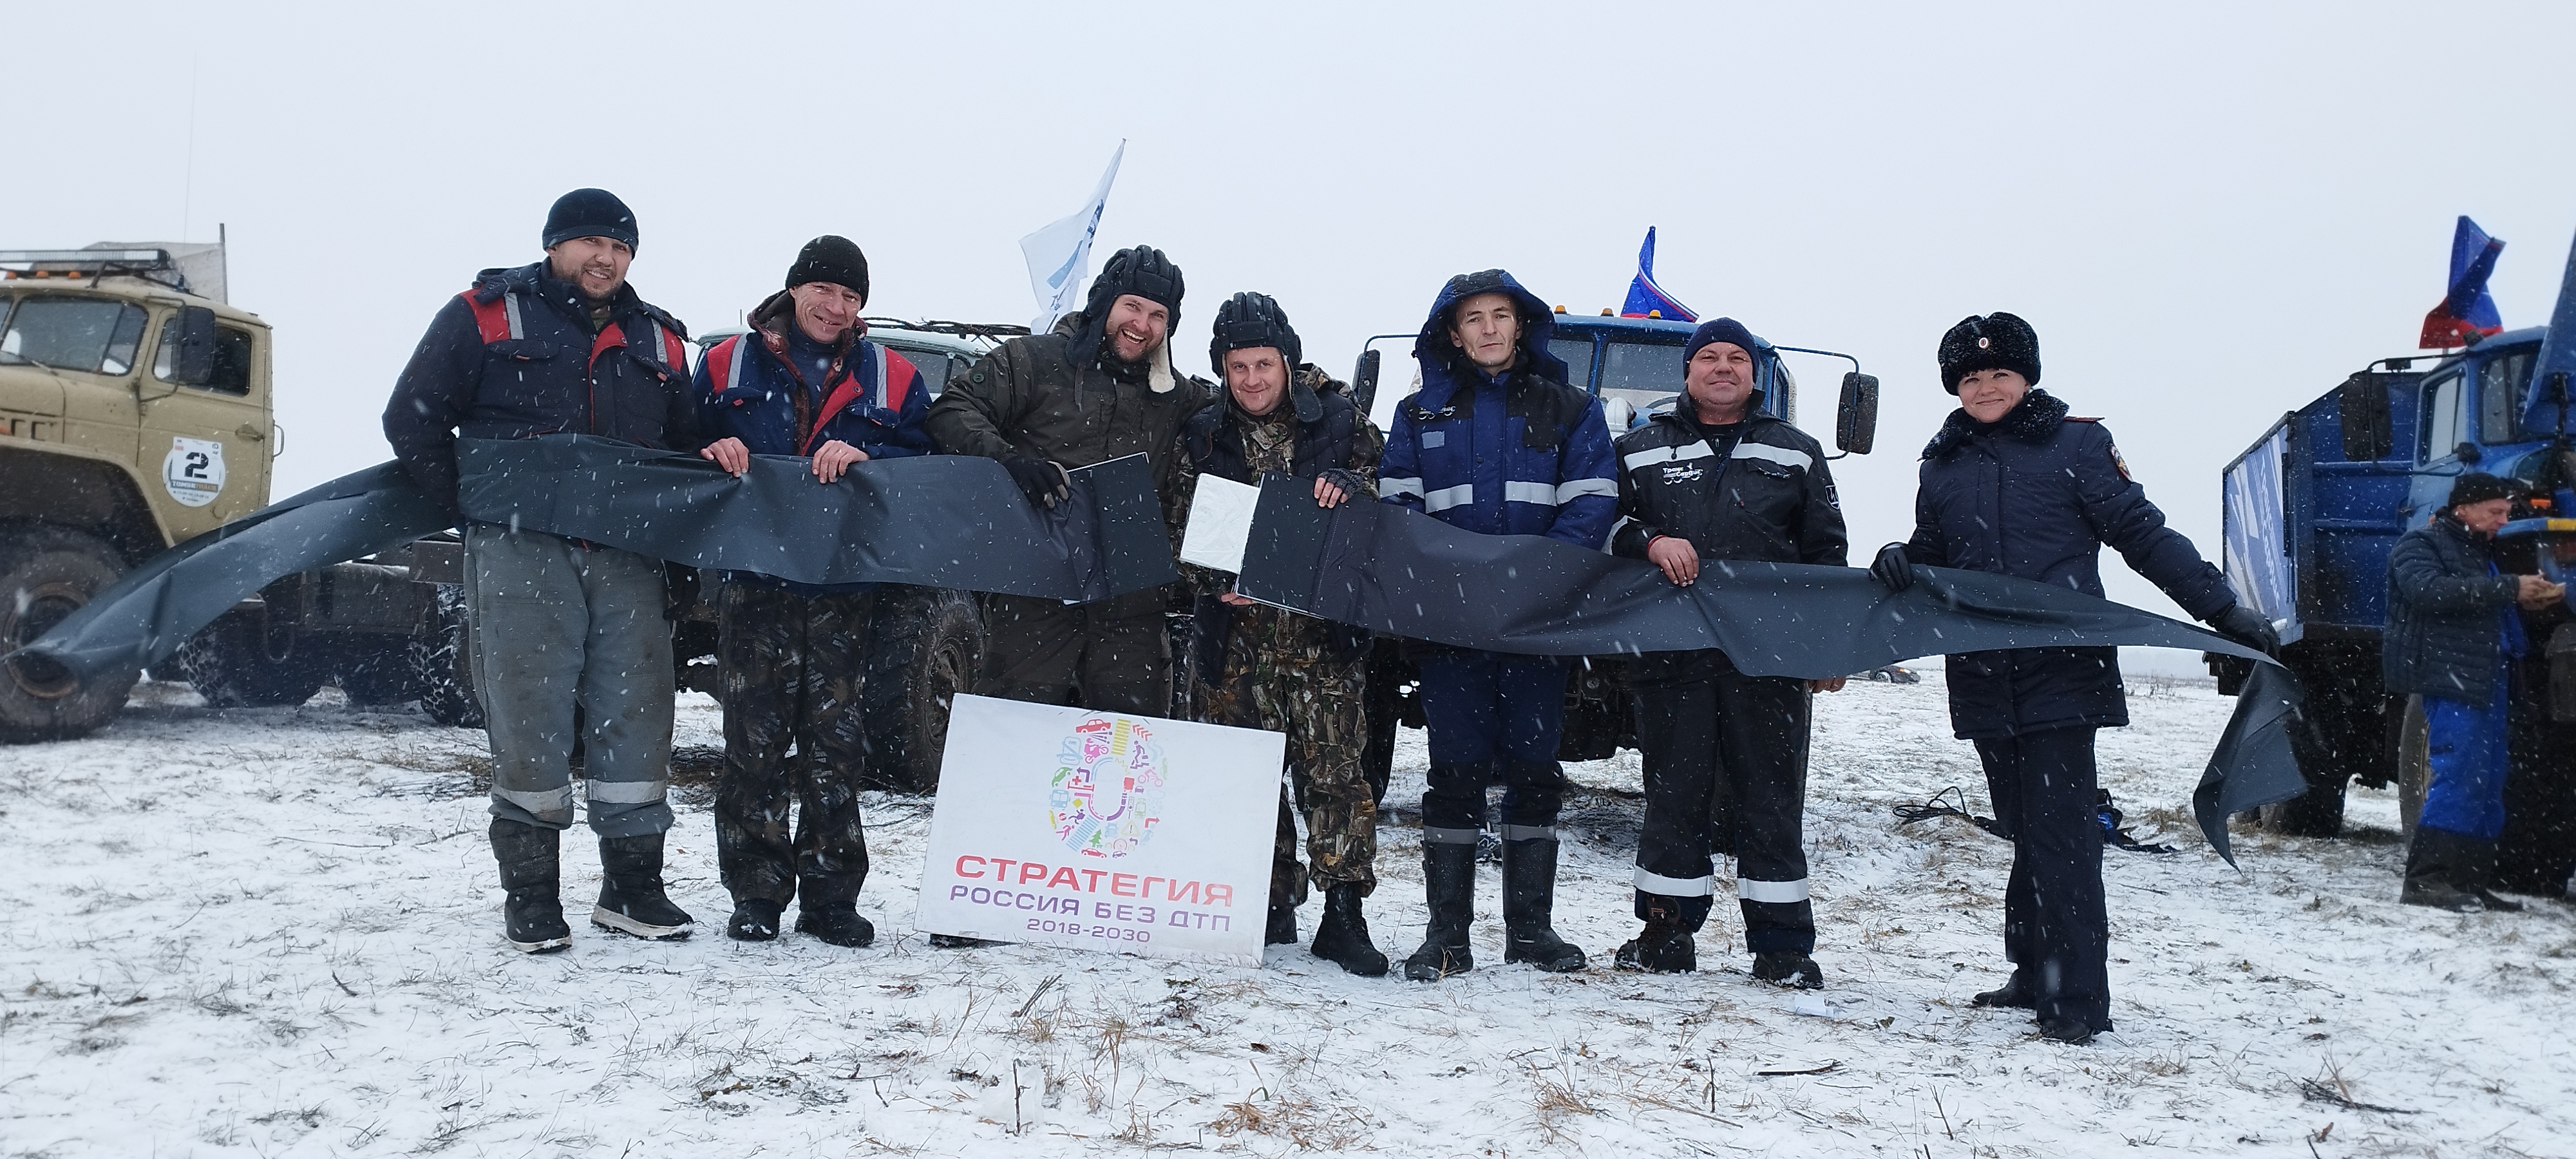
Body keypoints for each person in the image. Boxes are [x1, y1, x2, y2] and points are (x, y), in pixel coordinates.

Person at [1869, 312, 2277, 1043]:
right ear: (1953, 389)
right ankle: (2031, 972)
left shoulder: (2077, 445)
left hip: (2062, 672)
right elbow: (1933, 552)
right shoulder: (1942, 465)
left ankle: (2076, 999)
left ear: (2027, 378)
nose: (1986, 386)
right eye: (1970, 378)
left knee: (2060, 836)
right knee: (2024, 831)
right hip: (1983, 674)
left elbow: (2143, 536)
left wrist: (2222, 610)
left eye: (1999, 374)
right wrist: (1899, 554)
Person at [383, 189, 701, 953]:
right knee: (530, 716)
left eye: (620, 247)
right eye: (590, 242)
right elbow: (413, 416)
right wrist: (479, 507)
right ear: (555, 245)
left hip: (628, 556)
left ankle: (631, 889)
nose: (606, 258)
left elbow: (687, 447)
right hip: (522, 551)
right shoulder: (486, 314)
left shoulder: (662, 342)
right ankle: (531, 896)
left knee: (638, 715)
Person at [1378, 269, 1618, 981]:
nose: (1487, 329)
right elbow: (1398, 508)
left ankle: (1531, 932)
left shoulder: (1573, 410)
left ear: (1521, 325)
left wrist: (1529, 587)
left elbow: (1591, 506)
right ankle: (1446, 936)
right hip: (1452, 628)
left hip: (1534, 628)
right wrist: (1452, 590)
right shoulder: (1417, 414)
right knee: (1453, 773)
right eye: (1473, 319)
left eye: (1500, 315)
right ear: (1452, 334)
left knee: (1535, 771)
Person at [693, 236, 931, 947]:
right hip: (754, 583)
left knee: (837, 743)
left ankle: (831, 898)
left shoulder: (893, 376)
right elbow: (675, 444)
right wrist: (712, 449)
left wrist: (873, 455)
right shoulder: (721, 364)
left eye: (851, 297)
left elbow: (926, 461)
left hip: (843, 585)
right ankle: (756, 893)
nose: (835, 307)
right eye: (823, 290)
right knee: (752, 741)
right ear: (794, 289)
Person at [1606, 318, 1846, 985]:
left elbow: (1825, 556)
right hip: (1669, 653)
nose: (1721, 367)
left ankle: (1782, 947)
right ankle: (1664, 931)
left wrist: (1825, 648)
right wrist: (1650, 540)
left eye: (1735, 357)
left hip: (1765, 660)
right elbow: (1606, 523)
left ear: (1753, 374)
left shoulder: (1795, 452)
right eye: (1707, 357)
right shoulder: (1636, 448)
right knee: (1673, 795)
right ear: (1685, 373)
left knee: (1767, 799)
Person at [1167, 292, 1388, 975]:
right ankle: (1264, 905)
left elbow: (1385, 502)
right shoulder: (1204, 433)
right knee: (1246, 777)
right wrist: (1211, 583)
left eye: (1264, 364)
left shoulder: (1342, 423)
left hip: (1322, 638)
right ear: (1223, 369)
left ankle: (1344, 914)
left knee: (1334, 775)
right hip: (1234, 641)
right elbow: (1180, 526)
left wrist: (1350, 487)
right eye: (1239, 367)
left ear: (1287, 363)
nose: (1253, 380)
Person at [927, 246, 1211, 716]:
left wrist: (1325, 399)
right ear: (1105, 303)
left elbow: (1252, 413)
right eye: (1133, 307)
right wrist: (1010, 462)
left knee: (1125, 752)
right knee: (1015, 739)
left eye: (1158, 315)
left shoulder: (1178, 398)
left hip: (1132, 611)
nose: (1142, 325)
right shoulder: (1033, 361)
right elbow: (952, 410)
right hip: (1036, 596)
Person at [2387, 472, 2562, 912]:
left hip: (2491, 677)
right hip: (2452, 677)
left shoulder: (2479, 551)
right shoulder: (2420, 544)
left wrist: (2526, 598)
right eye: (2495, 512)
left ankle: (2469, 881)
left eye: (2506, 512)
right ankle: (2426, 881)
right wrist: (2510, 588)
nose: (2504, 520)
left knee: (2488, 781)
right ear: (2463, 508)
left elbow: (2477, 602)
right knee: (2459, 775)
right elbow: (2427, 592)